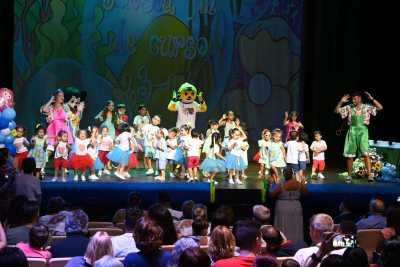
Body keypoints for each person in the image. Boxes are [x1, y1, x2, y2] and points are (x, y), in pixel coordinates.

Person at [335, 91, 383, 182]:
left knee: (366, 154)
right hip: (352, 131)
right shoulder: (349, 107)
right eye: (352, 99)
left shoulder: (366, 107)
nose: (353, 100)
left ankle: (370, 176)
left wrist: (372, 99)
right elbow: (337, 111)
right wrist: (341, 101)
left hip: (363, 131)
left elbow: (380, 107)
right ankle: (349, 176)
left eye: (355, 98)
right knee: (349, 155)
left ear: (359, 99)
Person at [271, 168, 307, 243]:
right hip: (296, 207)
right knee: (296, 226)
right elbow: (306, 194)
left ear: (284, 175)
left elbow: (272, 195)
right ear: (292, 175)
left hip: (282, 207)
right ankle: (296, 243)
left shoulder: (282, 185)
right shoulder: (298, 184)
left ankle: (283, 242)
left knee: (282, 226)